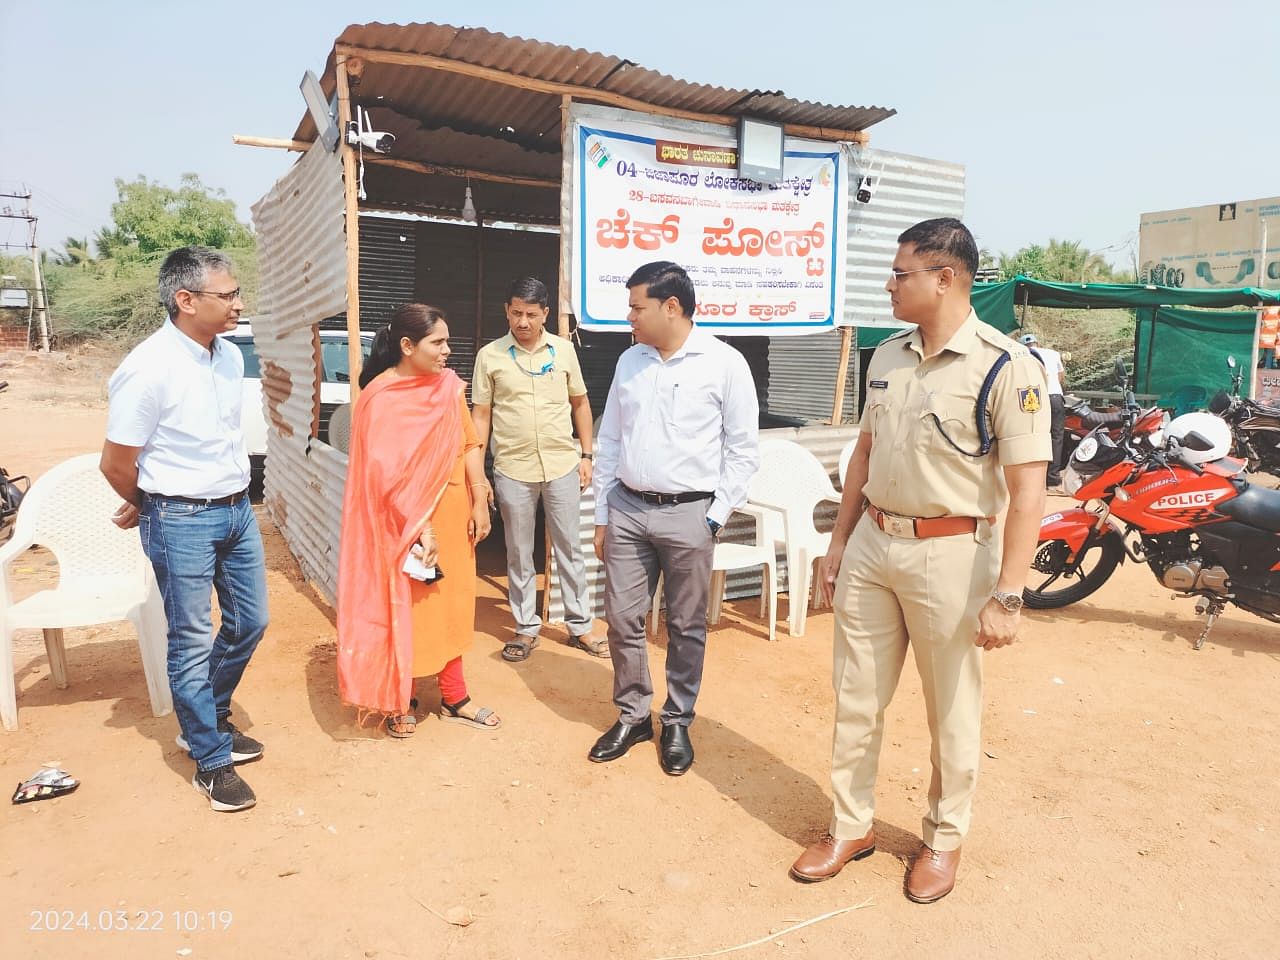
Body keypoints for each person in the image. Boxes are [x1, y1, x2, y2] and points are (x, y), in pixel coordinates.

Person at [789, 219, 1049, 902]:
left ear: (945, 278)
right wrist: (841, 540)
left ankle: (942, 839)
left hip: (954, 555)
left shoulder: (1004, 366)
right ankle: (851, 824)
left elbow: (1028, 493)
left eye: (901, 273)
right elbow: (865, 453)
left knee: (952, 710)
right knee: (856, 696)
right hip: (875, 542)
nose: (889, 284)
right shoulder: (886, 356)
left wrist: (1010, 593)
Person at [100, 246, 268, 813]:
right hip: (182, 519)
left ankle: (208, 717)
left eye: (238, 293)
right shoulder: (147, 368)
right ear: (186, 299)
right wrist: (147, 504)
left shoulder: (224, 355)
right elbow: (116, 462)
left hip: (237, 509)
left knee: (251, 622)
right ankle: (210, 759)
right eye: (229, 296)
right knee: (192, 639)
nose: (239, 305)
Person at [588, 261, 759, 775]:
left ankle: (678, 719)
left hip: (690, 515)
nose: (630, 317)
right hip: (628, 509)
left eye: (637, 307)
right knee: (621, 619)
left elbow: (743, 449)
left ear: (671, 307)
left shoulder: (724, 364)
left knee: (686, 625)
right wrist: (601, 513)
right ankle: (634, 714)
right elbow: (611, 439)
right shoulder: (630, 362)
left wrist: (714, 515)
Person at [336, 303, 499, 739]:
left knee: (454, 601)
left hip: (453, 508)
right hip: (400, 523)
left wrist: (480, 498)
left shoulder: (447, 388)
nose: (448, 351)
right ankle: (401, 694)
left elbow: (468, 444)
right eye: (438, 342)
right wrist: (419, 526)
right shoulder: (379, 397)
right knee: (408, 606)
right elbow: (381, 473)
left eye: (447, 341)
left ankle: (454, 695)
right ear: (407, 346)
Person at [471, 277, 605, 663]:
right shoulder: (491, 356)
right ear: (507, 312)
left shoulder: (563, 352)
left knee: (569, 547)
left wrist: (586, 455)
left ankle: (580, 627)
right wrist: (479, 474)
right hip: (513, 468)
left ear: (546, 313)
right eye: (516, 313)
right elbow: (481, 416)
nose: (523, 321)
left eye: (531, 314)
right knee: (518, 551)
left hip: (563, 464)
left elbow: (580, 404)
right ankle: (526, 627)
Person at [1019, 332, 1067, 487]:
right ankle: (1052, 477)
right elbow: (1060, 376)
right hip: (1054, 396)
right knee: (1056, 436)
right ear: (1037, 343)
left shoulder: (1022, 354)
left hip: (1033, 397)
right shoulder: (1053, 354)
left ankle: (1031, 477)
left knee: (1032, 435)